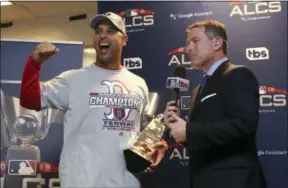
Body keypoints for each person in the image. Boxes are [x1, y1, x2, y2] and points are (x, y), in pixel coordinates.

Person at [19, 12, 167, 188]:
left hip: (125, 182)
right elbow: (30, 100)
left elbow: (142, 130)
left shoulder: (138, 83)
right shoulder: (73, 80)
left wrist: (158, 145)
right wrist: (34, 62)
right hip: (81, 181)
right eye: (98, 31)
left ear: (124, 40)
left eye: (111, 31)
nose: (103, 35)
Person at [164, 20, 267, 188]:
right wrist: (178, 128)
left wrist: (189, 130)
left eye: (195, 41)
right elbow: (204, 137)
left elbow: (244, 124)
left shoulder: (238, 75)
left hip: (234, 181)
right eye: (187, 43)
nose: (188, 48)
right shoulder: (198, 89)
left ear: (217, 43)